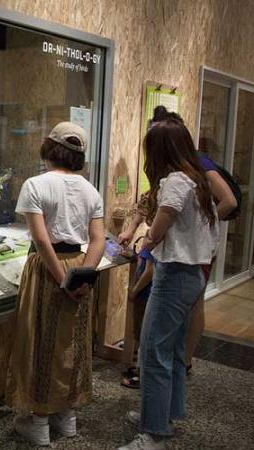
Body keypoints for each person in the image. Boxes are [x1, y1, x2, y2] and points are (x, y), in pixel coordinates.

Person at [119, 119, 219, 450]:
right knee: (172, 350)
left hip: (175, 275)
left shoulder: (175, 181)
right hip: (192, 275)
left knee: (153, 352)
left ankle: (154, 434)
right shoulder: (197, 179)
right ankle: (165, 414)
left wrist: (141, 243)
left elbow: (158, 229)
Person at [5, 122, 105, 446]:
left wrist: (63, 280)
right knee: (72, 342)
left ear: (50, 148)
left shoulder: (35, 185)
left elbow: (41, 238)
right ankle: (68, 416)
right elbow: (98, 239)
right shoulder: (91, 191)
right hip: (79, 264)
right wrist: (83, 277)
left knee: (41, 340)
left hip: (49, 268)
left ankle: (39, 420)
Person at [119, 106, 236, 372]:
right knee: (171, 339)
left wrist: (195, 230)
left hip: (180, 264)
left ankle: (182, 366)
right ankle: (180, 367)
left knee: (160, 348)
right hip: (186, 262)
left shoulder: (182, 177)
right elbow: (148, 204)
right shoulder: (184, 175)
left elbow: (227, 201)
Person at [121, 242, 155, 389]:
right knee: (140, 333)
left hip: (145, 295)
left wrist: (134, 290)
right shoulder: (148, 246)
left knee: (144, 334)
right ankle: (140, 367)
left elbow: (149, 271)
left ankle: (142, 373)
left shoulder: (152, 246)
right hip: (143, 295)